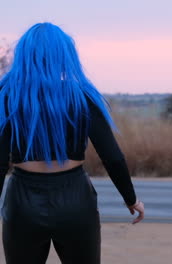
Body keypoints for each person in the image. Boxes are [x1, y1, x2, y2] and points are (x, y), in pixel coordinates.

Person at [0, 22, 144, 264]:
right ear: (66, 54)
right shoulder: (82, 96)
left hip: (22, 201)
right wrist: (131, 198)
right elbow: (113, 156)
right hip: (75, 199)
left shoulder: (7, 97)